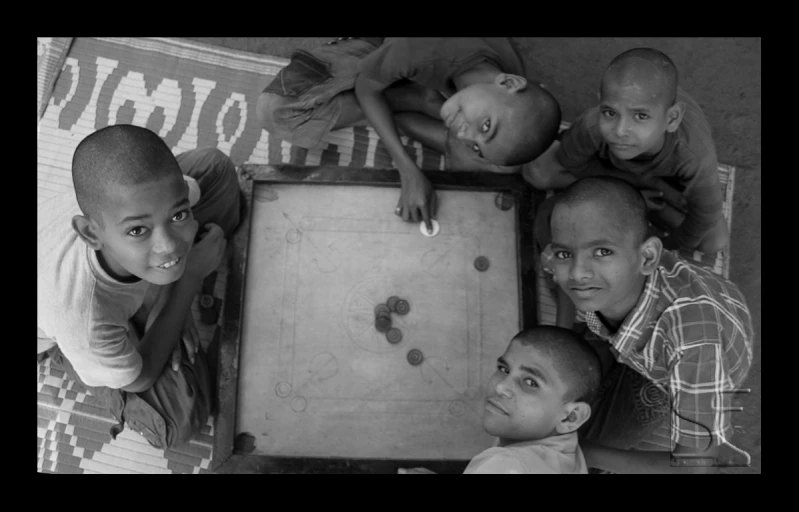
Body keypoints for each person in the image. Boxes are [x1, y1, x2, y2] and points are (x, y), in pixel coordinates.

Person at [37, 124, 241, 448]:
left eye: (179, 215)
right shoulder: (82, 315)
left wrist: (169, 291)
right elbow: (139, 378)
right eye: (138, 231)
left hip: (116, 260)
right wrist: (188, 280)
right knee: (180, 418)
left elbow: (172, 204)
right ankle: (74, 354)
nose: (170, 246)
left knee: (215, 168)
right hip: (66, 323)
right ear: (90, 234)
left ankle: (154, 274)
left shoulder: (132, 209)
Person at [546, 176, 753, 473]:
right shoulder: (606, 281)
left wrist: (583, 452)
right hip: (643, 332)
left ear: (647, 257)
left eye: (602, 252)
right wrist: (564, 338)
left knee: (580, 441)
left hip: (687, 369)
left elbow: (694, 467)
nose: (578, 273)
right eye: (565, 254)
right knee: (560, 386)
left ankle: (709, 435)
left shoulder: (691, 342)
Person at [258, 37, 561, 231]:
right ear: (508, 83)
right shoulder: (424, 49)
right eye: (485, 127)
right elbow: (367, 85)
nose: (467, 135)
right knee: (275, 112)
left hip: (418, 68)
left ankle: (413, 104)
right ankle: (413, 99)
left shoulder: (510, 78)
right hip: (381, 45)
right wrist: (407, 168)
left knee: (507, 161)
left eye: (477, 145)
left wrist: (482, 144)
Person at [399, 326, 600, 474]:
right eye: (504, 370)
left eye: (530, 382)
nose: (501, 386)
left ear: (570, 418)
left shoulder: (505, 465)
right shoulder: (564, 451)